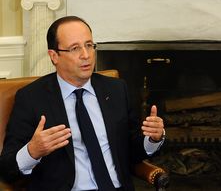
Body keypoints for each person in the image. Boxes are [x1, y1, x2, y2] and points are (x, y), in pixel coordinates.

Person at [0, 16, 165, 190]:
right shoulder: (31, 98)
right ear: (54, 56)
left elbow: (131, 150)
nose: (86, 55)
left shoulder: (116, 89)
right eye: (75, 48)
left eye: (89, 45)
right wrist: (33, 151)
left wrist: (153, 138)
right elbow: (7, 168)